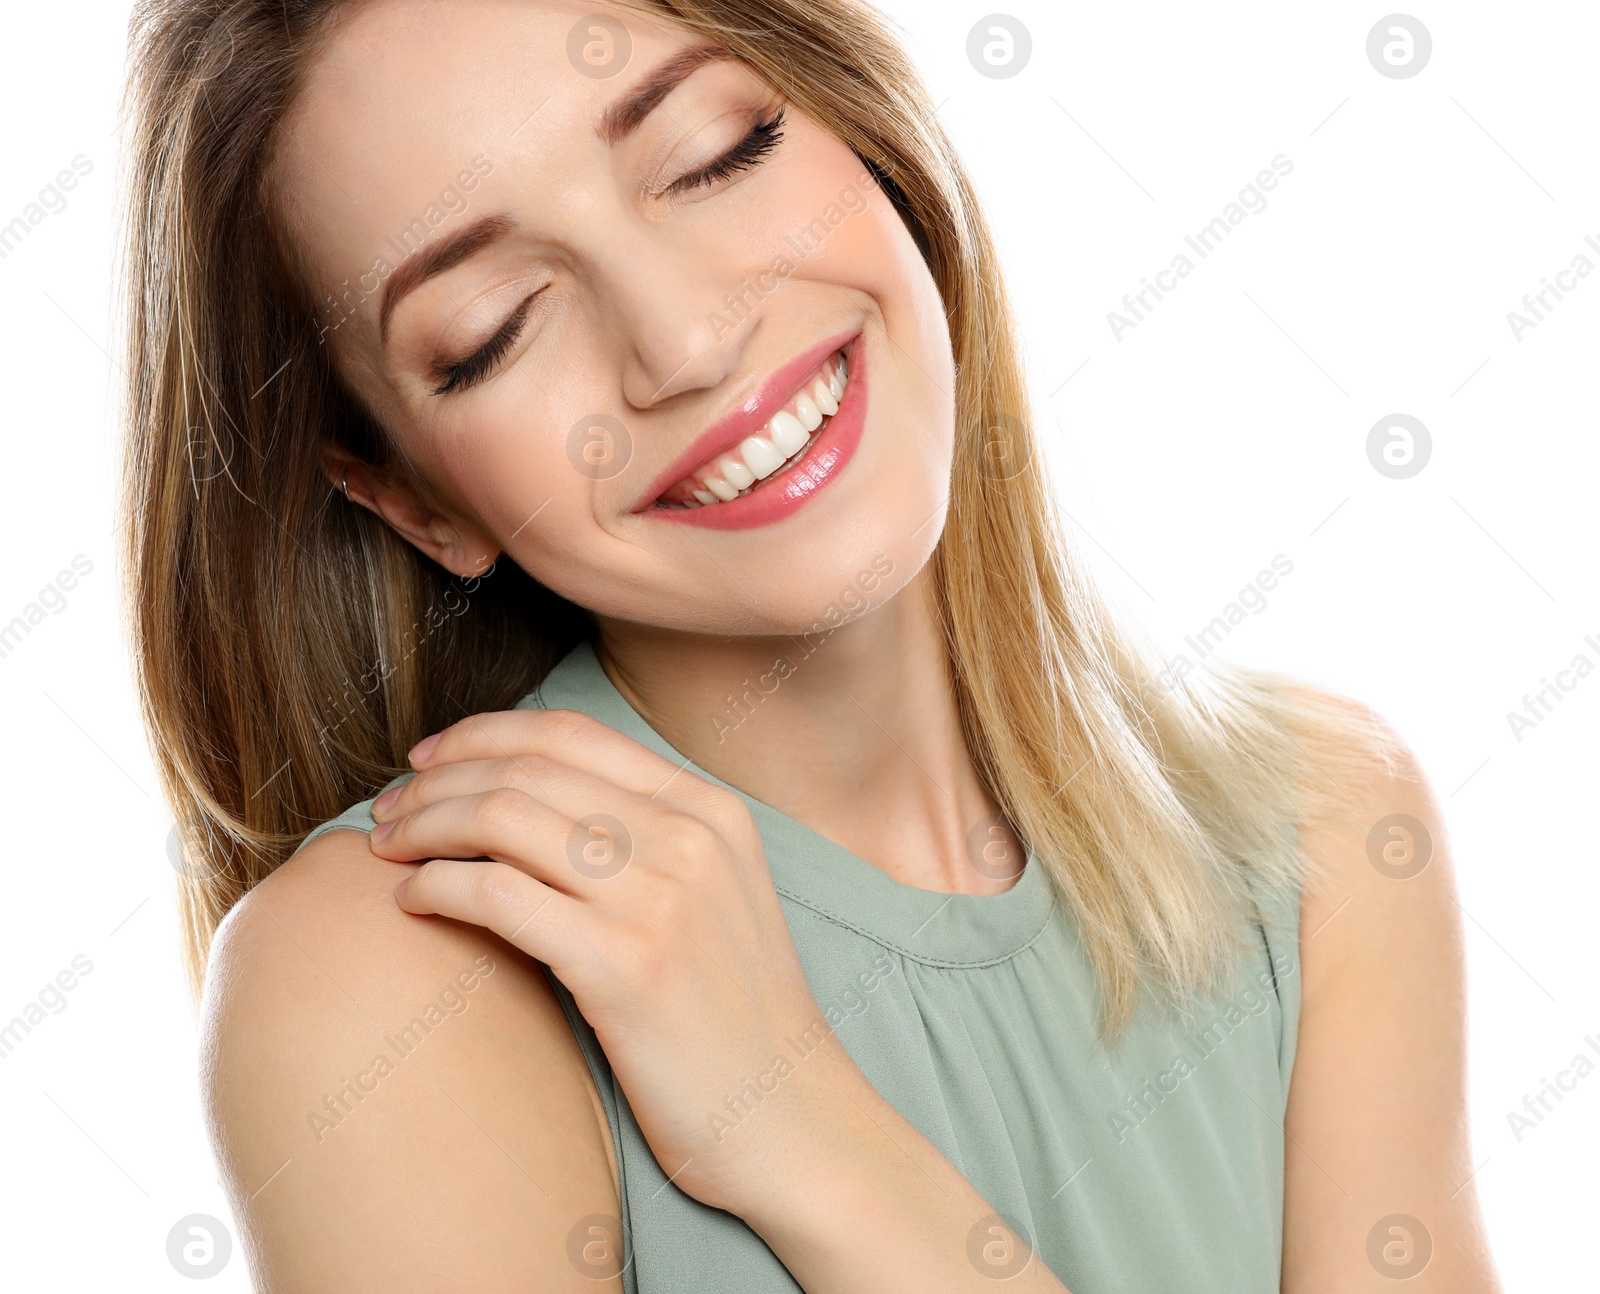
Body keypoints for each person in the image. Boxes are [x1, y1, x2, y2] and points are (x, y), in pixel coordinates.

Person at [119, 1, 1501, 1289]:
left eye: (719, 154)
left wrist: (806, 1130)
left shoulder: (1319, 830)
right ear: (414, 496)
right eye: (496, 330)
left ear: (865, 127)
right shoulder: (396, 971)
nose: (688, 339)